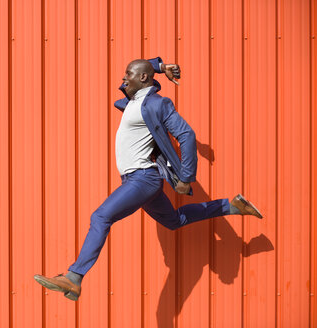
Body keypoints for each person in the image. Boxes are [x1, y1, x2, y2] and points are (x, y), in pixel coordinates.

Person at [34, 57, 263, 301]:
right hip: (136, 180)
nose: (123, 79)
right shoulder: (132, 101)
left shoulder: (157, 103)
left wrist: (186, 176)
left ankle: (74, 278)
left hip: (143, 178)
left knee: (100, 216)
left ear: (142, 78)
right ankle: (232, 206)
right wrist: (160, 67)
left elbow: (186, 134)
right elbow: (136, 74)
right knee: (174, 220)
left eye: (128, 74)